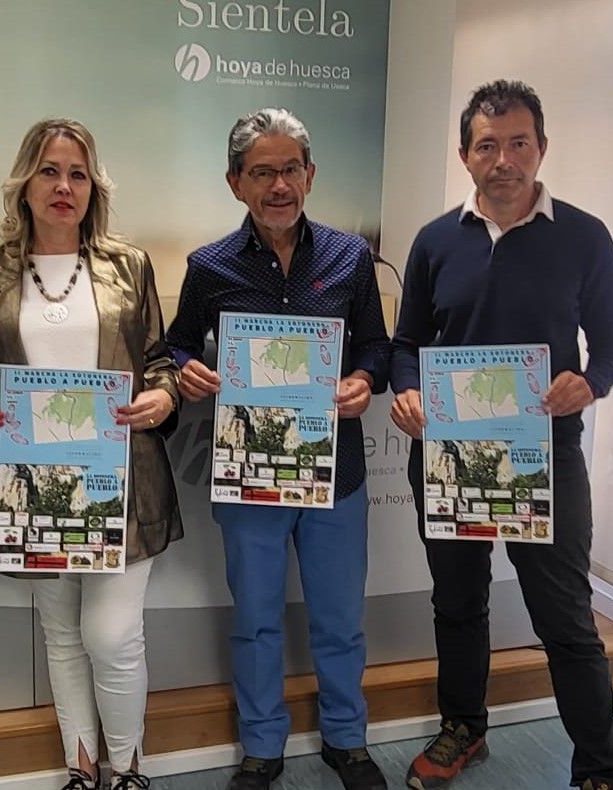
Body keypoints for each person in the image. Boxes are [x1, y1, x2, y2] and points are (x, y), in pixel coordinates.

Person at [389, 79, 613, 790]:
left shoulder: (585, 238)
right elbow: (409, 342)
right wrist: (406, 387)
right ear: (465, 156)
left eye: (518, 143)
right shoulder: (436, 241)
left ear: (541, 149)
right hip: (449, 457)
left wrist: (589, 382)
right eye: (487, 145)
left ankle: (601, 768)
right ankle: (463, 729)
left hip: (544, 457)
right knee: (459, 604)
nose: (504, 159)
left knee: (564, 618)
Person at [0, 118, 182, 790]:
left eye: (77, 173)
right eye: (49, 171)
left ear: (93, 187)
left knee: (111, 634)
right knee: (61, 635)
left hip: (122, 480)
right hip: (32, 487)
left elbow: (160, 363)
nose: (63, 186)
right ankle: (82, 770)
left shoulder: (129, 266)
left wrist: (163, 398)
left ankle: (128, 768)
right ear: (24, 183)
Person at [166, 108, 391, 790]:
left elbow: (378, 346)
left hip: (336, 475)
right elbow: (177, 341)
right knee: (256, 619)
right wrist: (186, 368)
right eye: (261, 172)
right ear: (236, 183)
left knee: (339, 618)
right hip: (250, 476)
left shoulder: (351, 258)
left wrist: (364, 379)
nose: (279, 185)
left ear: (310, 174)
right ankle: (261, 746)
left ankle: (347, 740)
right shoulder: (208, 267)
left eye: (290, 169)